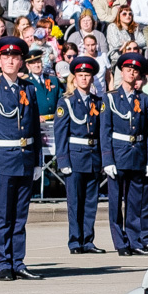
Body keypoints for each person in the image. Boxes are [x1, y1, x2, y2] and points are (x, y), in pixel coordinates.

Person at [0, 35, 43, 280]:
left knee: (20, 217)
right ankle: (4, 263)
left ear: (22, 62)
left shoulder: (28, 88)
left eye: (15, 57)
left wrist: (37, 160)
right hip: (3, 159)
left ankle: (18, 261)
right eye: (6, 56)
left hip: (25, 158)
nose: (10, 60)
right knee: (3, 216)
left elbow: (34, 128)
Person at [101, 52, 148, 256]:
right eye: (128, 70)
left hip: (138, 155)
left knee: (135, 202)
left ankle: (135, 240)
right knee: (116, 203)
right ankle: (120, 242)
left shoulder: (145, 100)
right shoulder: (110, 98)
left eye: (135, 71)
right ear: (121, 72)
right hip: (118, 154)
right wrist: (107, 159)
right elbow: (105, 130)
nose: (131, 73)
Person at [53, 55, 104, 254]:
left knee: (90, 202)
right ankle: (75, 241)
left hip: (92, 156)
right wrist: (63, 159)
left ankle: (88, 240)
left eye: (87, 75)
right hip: (74, 157)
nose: (84, 79)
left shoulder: (97, 102)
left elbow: (100, 131)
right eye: (80, 75)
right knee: (75, 202)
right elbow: (61, 133)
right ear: (74, 78)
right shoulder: (66, 102)